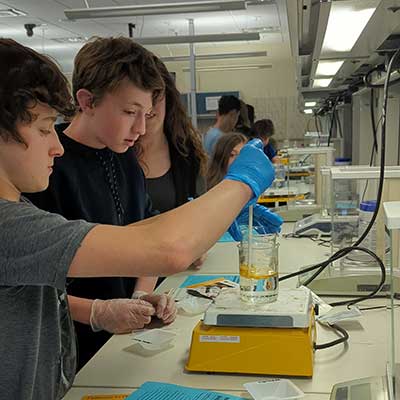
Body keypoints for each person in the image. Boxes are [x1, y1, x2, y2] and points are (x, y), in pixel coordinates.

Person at [0, 38, 275, 399]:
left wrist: (206, 221)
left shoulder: (117, 162)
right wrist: (241, 185)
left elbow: (137, 232)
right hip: (83, 355)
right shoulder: (12, 224)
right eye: (43, 128)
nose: (57, 146)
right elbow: (164, 248)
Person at [26, 37, 179, 370]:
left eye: (147, 115)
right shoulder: (45, 168)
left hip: (124, 342)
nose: (140, 129)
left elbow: (144, 235)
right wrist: (99, 312)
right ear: (87, 101)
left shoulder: (126, 159)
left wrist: (141, 295)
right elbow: (31, 292)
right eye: (128, 112)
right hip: (69, 352)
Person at [136, 57, 208, 273]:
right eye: (135, 104)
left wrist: (200, 243)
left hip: (174, 275)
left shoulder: (186, 156)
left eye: (155, 97)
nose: (147, 109)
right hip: (122, 280)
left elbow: (200, 219)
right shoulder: (113, 156)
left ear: (168, 99)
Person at [207, 133, 283, 239]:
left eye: (243, 155)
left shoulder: (246, 192)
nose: (239, 160)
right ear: (221, 160)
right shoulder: (209, 197)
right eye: (232, 155)